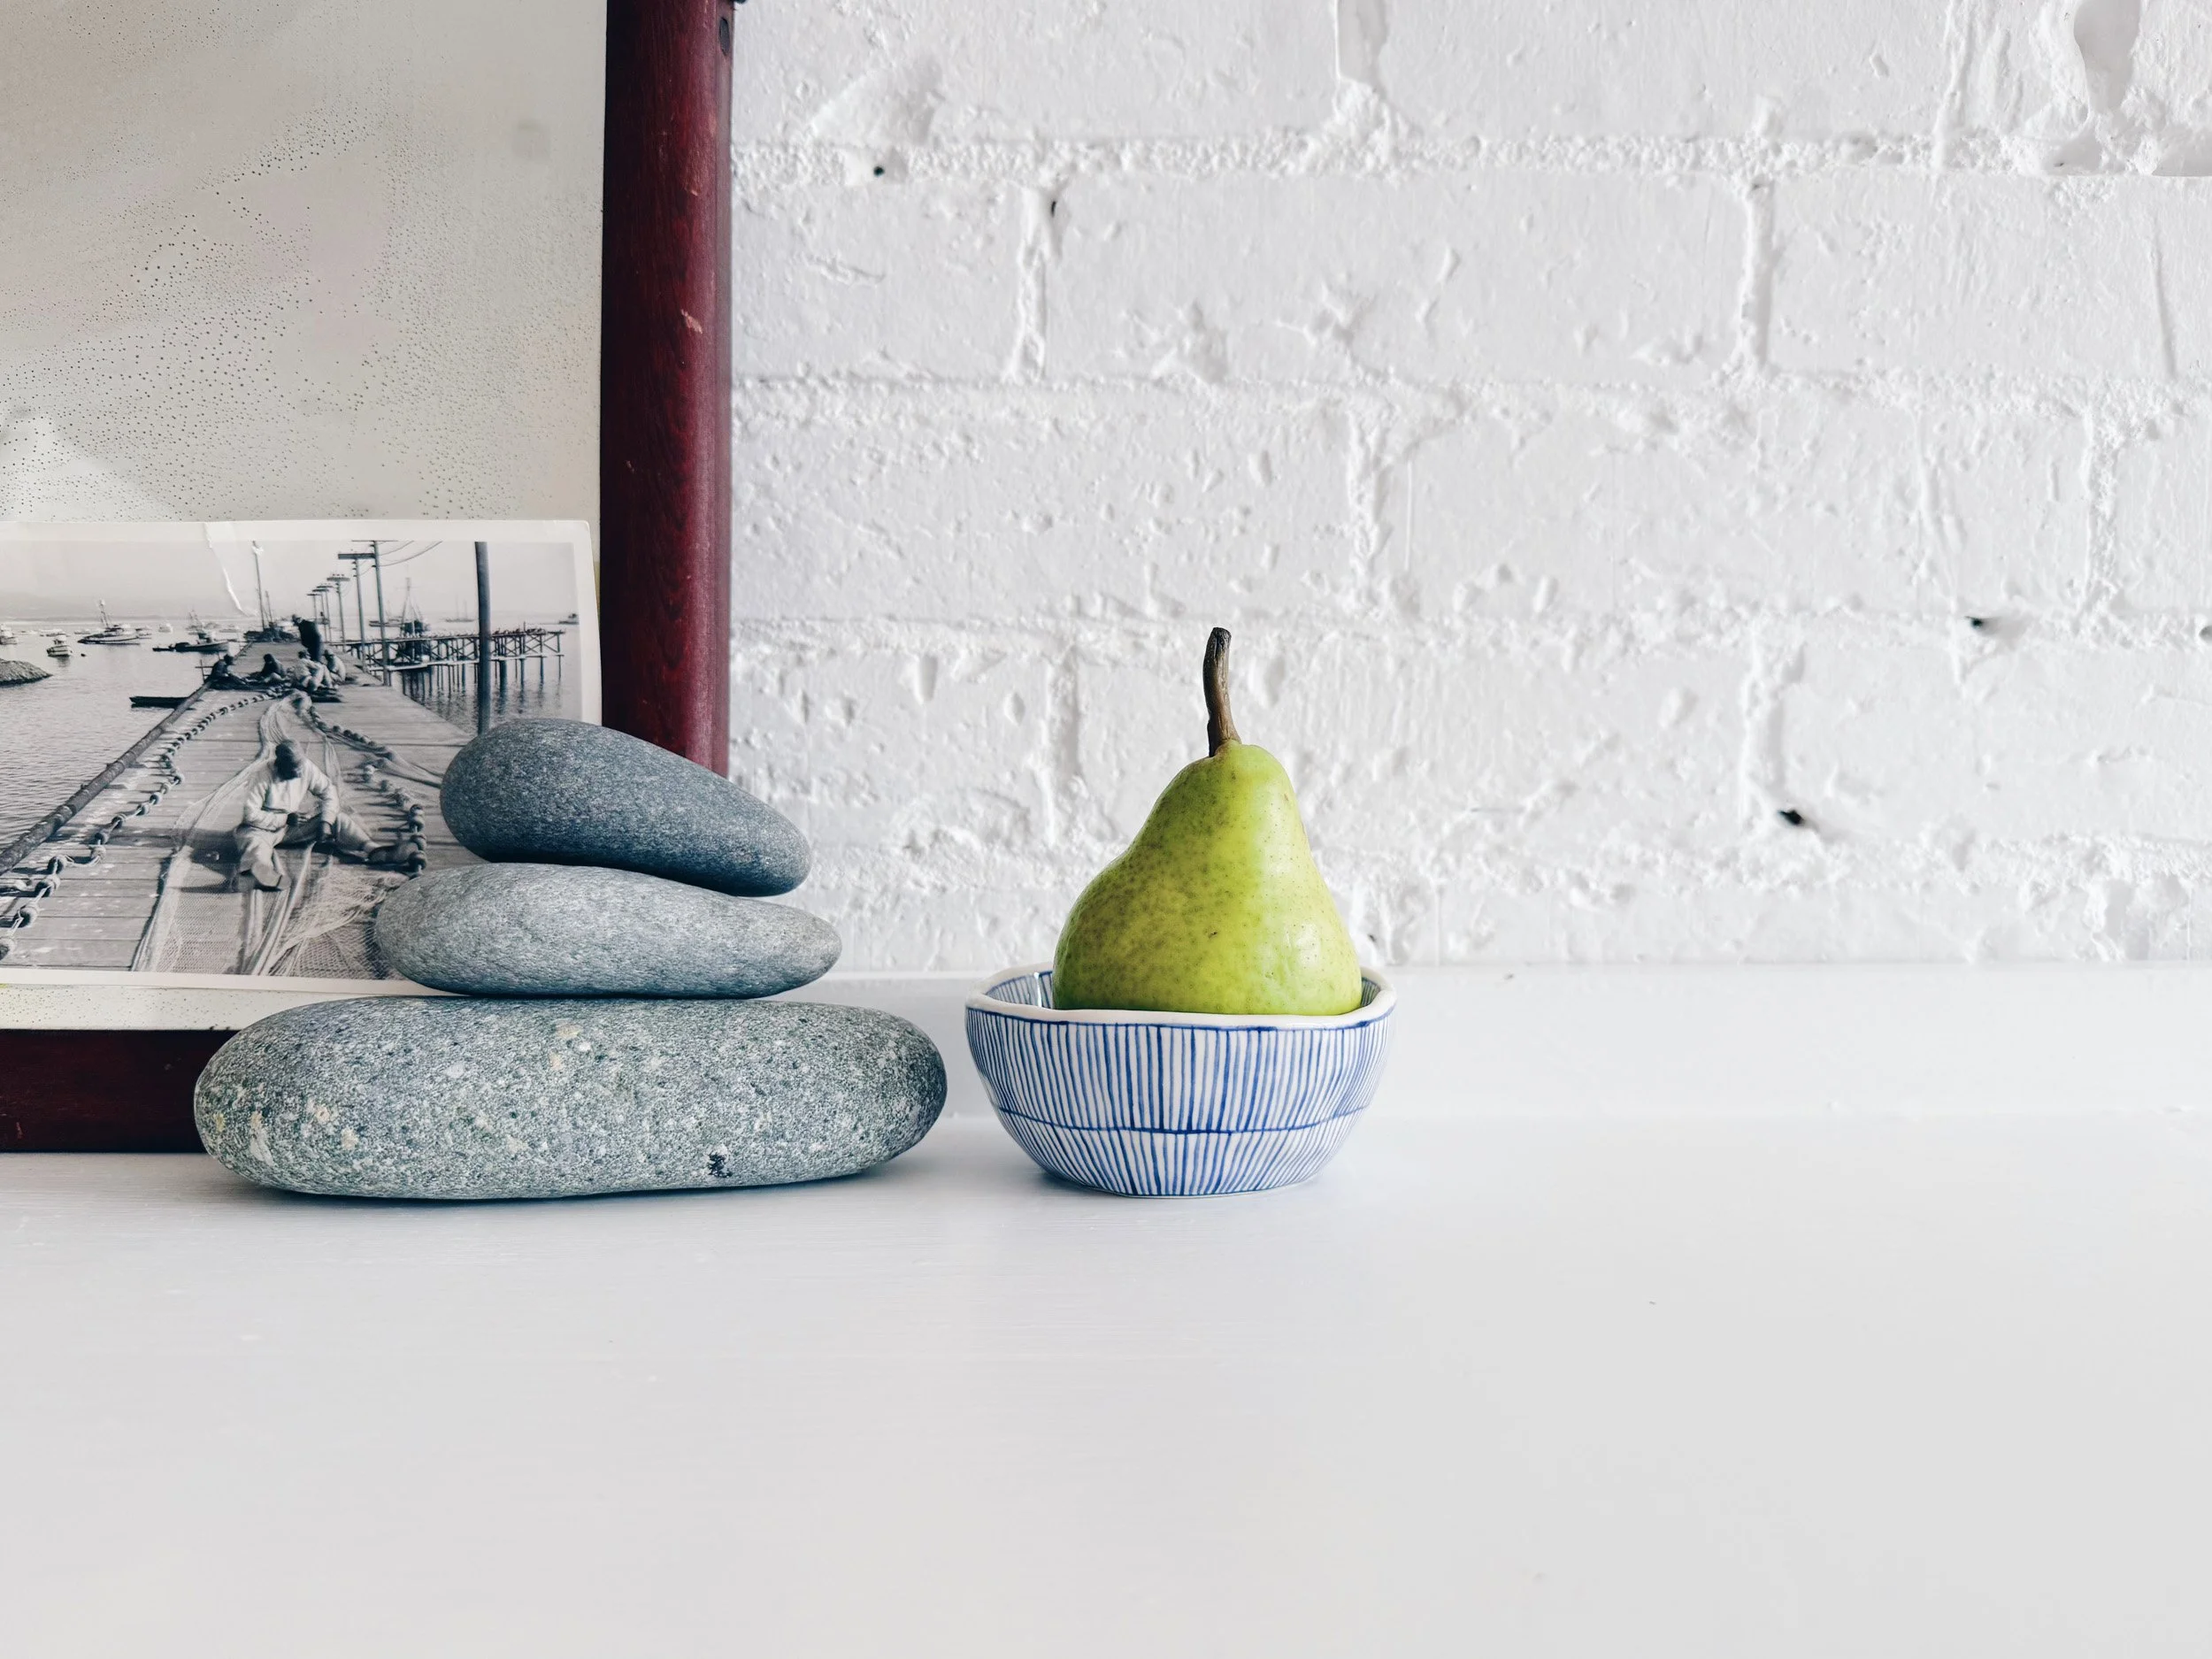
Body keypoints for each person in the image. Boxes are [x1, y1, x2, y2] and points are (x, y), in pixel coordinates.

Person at [232, 741, 395, 891]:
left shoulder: (306, 768)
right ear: (279, 764)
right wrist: (284, 818)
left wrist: (326, 822)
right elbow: (250, 815)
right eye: (292, 768)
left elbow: (328, 791)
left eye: (299, 766)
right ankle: (261, 874)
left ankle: (374, 851)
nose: (298, 771)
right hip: (261, 829)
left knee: (339, 819)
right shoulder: (261, 776)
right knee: (254, 844)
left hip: (292, 828)